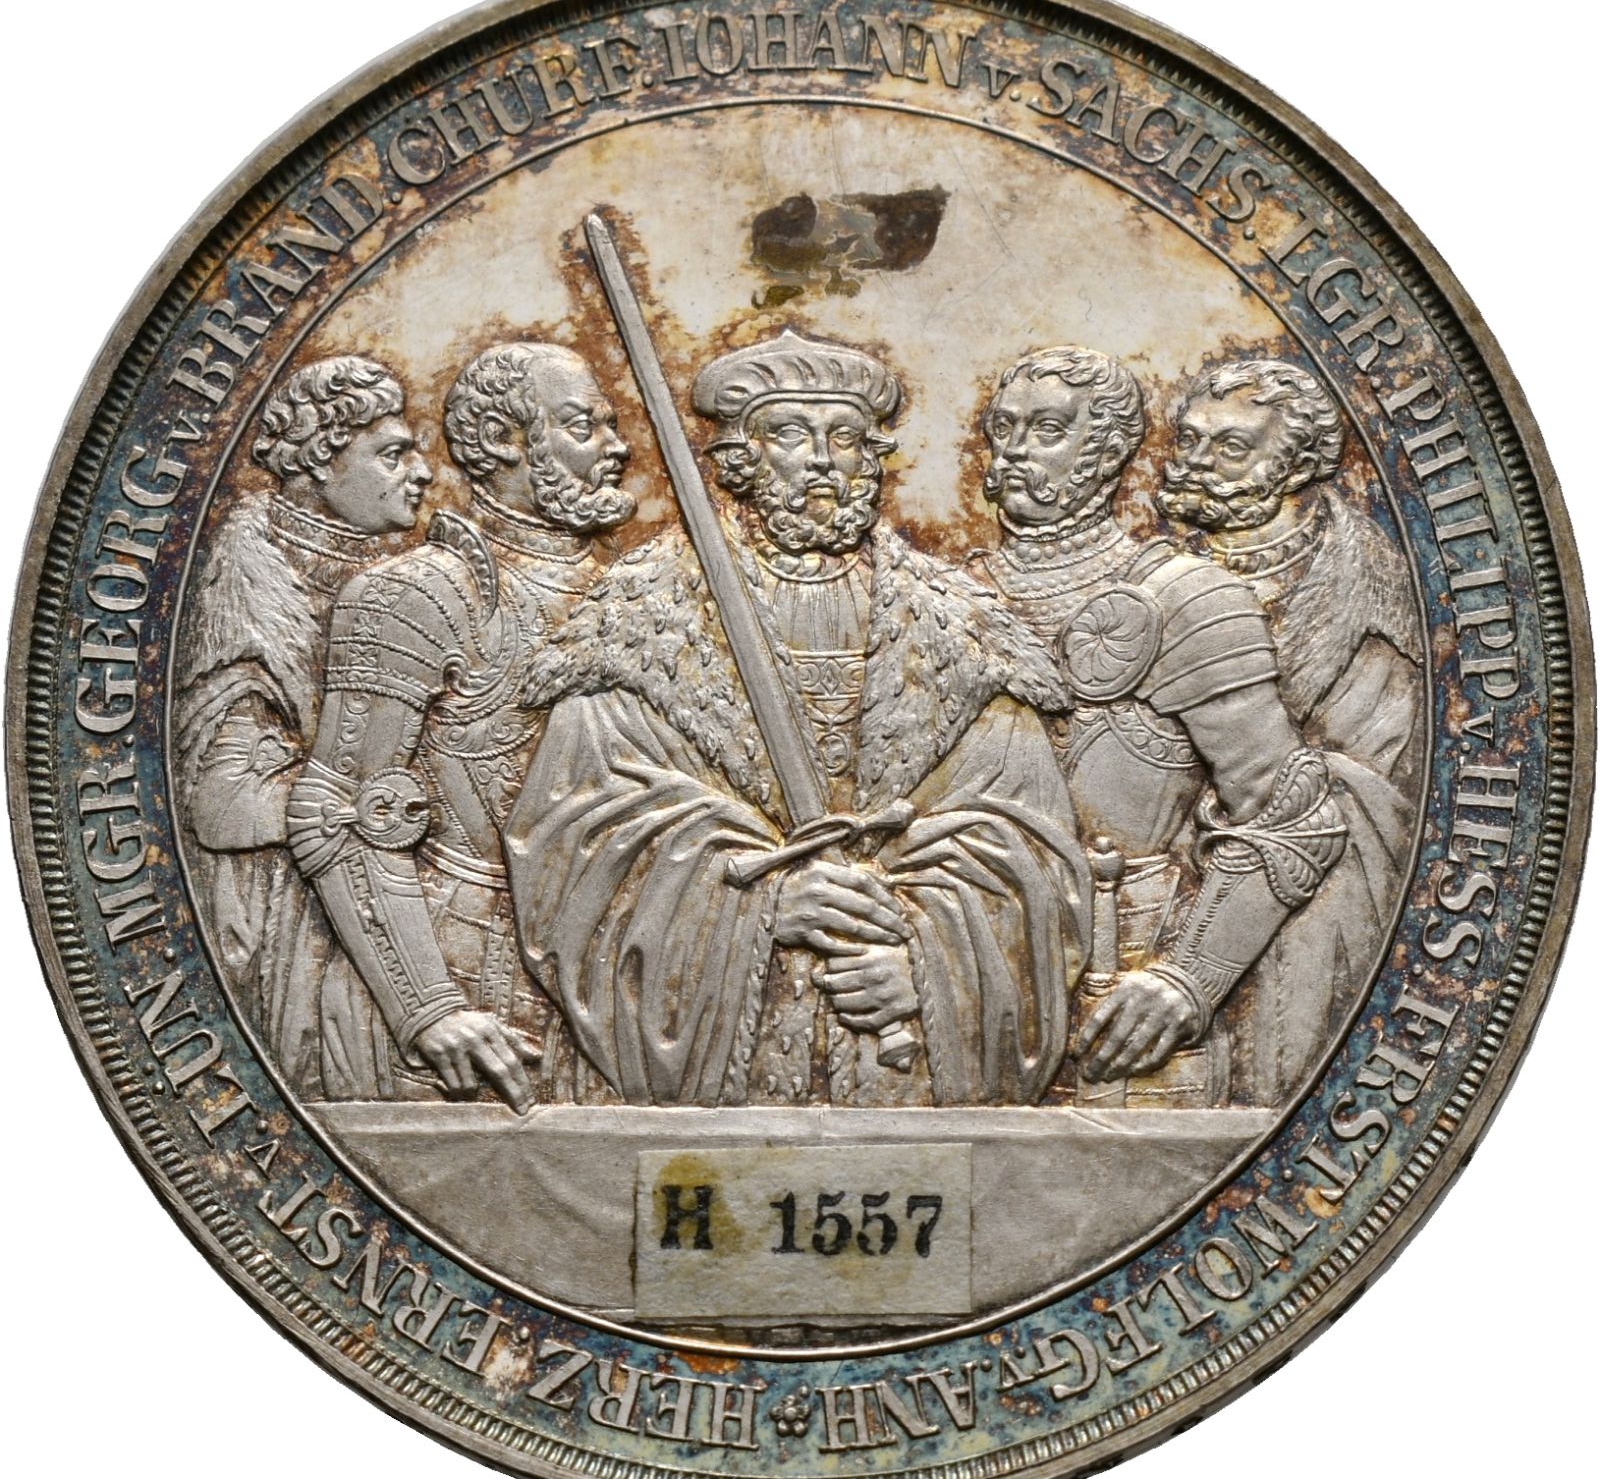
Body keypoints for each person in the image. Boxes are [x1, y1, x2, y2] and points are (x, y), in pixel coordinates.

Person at [505, 329, 1088, 1108]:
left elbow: (1030, 848)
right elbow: (573, 834)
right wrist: (751, 905)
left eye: (843, 437)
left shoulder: (962, 629)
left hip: (900, 1058)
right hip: (719, 1060)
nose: (820, 459)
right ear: (740, 459)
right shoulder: (640, 619)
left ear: (871, 457)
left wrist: (934, 967)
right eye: (789, 434)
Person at [969, 345, 1347, 1108]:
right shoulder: (947, 594)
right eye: (1004, 428)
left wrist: (1188, 979)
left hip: (1125, 1024)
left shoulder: (1191, 600)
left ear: (1109, 451)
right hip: (966, 1004)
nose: (1015, 451)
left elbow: (1293, 814)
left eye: (1048, 429)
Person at [287, 342, 635, 1107]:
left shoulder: (638, 591)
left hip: (617, 977)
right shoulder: (419, 594)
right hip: (467, 978)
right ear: (504, 440)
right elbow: (340, 809)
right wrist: (428, 1008)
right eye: (584, 426)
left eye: (612, 426)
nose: (618, 449)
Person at [1160, 358, 1422, 1098]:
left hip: (1304, 902)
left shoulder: (1363, 588)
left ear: (1298, 466)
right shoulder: (1160, 576)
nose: (1197, 462)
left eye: (1230, 447)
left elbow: (1372, 788)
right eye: (1190, 440)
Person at [175, 354, 430, 1096]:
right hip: (293, 924)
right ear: (320, 462)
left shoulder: (392, 577)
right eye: (392, 454)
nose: (420, 471)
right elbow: (221, 805)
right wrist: (362, 802)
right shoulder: (249, 605)